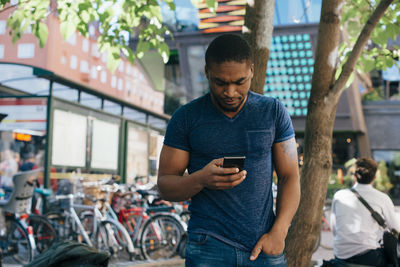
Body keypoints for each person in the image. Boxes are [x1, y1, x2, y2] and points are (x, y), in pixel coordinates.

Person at [157, 34, 300, 266]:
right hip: (208, 247)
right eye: (220, 82)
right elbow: (165, 185)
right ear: (207, 73)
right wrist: (201, 179)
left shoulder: (273, 112)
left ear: (252, 70)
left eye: (240, 82)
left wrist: (279, 232)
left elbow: (290, 176)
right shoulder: (186, 117)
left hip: (264, 246)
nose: (230, 92)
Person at [330, 157, 400, 266]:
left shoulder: (339, 195)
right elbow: (395, 229)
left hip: (340, 256)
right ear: (375, 177)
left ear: (354, 176)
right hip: (368, 257)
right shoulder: (382, 198)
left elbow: (334, 229)